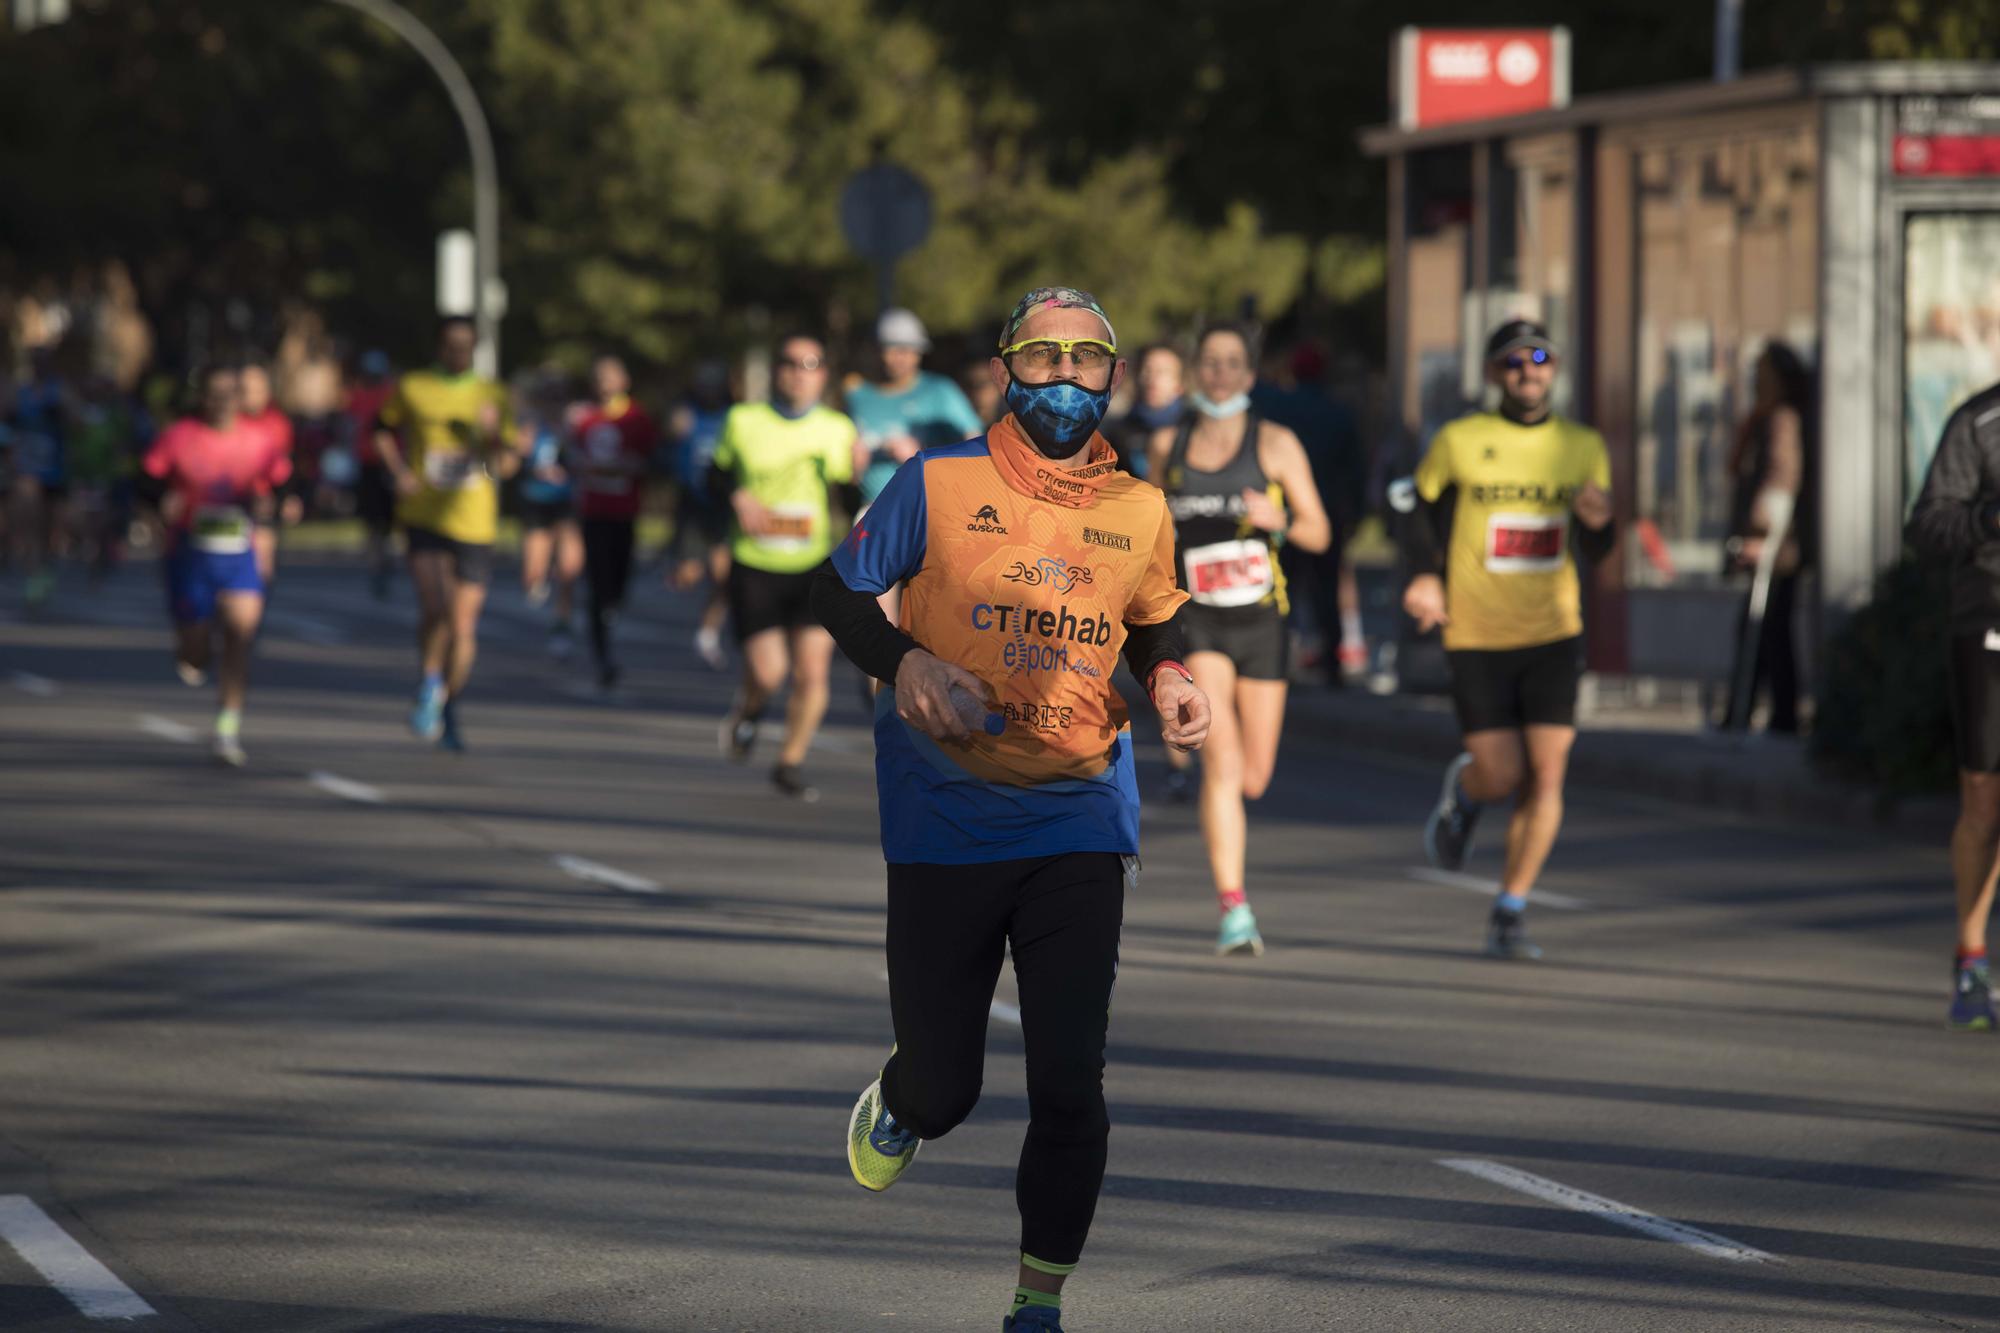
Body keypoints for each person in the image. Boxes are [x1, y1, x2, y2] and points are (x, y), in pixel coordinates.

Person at [815, 286, 1210, 1333]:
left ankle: (1036, 1304)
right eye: (1044, 358)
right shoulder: (937, 481)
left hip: (1078, 812)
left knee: (1070, 1082)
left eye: (1088, 360)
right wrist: (902, 663)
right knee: (946, 1089)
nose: (1067, 379)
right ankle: (902, 1101)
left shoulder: (1140, 507)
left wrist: (1169, 677)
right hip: (942, 815)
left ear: (1113, 376)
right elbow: (837, 588)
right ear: (1005, 369)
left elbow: (1156, 614)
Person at [1404, 319, 1616, 961]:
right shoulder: (1463, 440)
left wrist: (1602, 525)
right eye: (1514, 362)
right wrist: (1423, 577)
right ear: (1497, 373)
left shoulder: (1583, 446)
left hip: (1553, 631)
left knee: (1547, 777)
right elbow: (1416, 509)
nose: (1529, 371)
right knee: (1502, 772)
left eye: (1541, 358)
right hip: (1477, 631)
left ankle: (1511, 907)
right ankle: (1468, 792)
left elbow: (1599, 544)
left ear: (1556, 368)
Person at [1149, 323, 1332, 956]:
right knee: (1221, 766)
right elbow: (1147, 530)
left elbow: (1319, 532)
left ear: (1250, 377)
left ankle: (1234, 899)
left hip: (1262, 622)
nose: (1222, 374)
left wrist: (1280, 520)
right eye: (1211, 363)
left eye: (1234, 364)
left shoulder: (1275, 444)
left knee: (1254, 778)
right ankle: (1234, 908)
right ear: (1197, 372)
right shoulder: (1168, 447)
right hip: (1198, 622)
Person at [711, 333, 856, 800]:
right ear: (776, 370)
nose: (798, 372)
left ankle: (789, 762)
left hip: (812, 563)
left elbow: (848, 500)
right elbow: (711, 475)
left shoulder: (836, 429)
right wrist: (736, 496)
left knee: (813, 672)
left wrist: (856, 475)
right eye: (789, 362)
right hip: (754, 563)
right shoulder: (743, 420)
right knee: (770, 673)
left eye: (809, 363)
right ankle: (750, 709)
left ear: (823, 375)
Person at [374, 316, 517, 752]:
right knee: (435, 606)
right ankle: (431, 683)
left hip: (474, 520)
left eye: (466, 346)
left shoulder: (492, 394)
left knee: (462, 623)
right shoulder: (414, 386)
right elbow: (381, 430)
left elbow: (506, 466)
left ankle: (447, 700)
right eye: (451, 345)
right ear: (439, 346)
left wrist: (494, 437)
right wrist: (398, 471)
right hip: (424, 515)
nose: (459, 353)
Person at [138, 363, 290, 766]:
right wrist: (160, 503)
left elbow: (283, 482)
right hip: (191, 551)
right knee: (196, 650)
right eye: (215, 394)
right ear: (202, 397)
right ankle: (189, 651)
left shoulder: (259, 439)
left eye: (230, 394)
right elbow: (146, 480)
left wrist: (279, 503)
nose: (223, 402)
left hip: (240, 551)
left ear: (240, 400)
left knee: (241, 633)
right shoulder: (179, 437)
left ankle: (227, 726)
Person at [1907, 378, 2000, 1030]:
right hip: (1990, 627)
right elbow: (1928, 524)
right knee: (1985, 805)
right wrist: (1989, 519)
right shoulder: (1980, 421)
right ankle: (1971, 957)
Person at [1723, 342, 1813, 734]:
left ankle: (1772, 714)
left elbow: (1782, 474)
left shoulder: (1782, 418)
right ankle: (1761, 713)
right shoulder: (1763, 417)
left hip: (1779, 546)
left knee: (1765, 628)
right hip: (1774, 545)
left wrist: (1761, 534)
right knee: (1765, 629)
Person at [569, 355, 658, 691]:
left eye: (610, 377)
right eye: (598, 377)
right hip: (593, 512)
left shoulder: (637, 417)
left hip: (625, 511)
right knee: (597, 583)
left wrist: (630, 467)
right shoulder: (582, 419)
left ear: (624, 381)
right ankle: (602, 653)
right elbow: (567, 457)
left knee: (619, 581)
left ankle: (611, 610)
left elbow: (651, 460)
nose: (604, 383)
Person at [669, 360, 736, 670]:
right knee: (689, 575)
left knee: (724, 577)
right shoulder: (686, 415)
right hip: (693, 505)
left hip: (722, 506)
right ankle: (673, 571)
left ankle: (707, 633)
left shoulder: (733, 417)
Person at [516, 374, 584, 658]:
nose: (554, 403)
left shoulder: (575, 425)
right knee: (533, 572)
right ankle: (539, 581)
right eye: (549, 397)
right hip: (537, 501)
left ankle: (562, 622)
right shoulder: (531, 425)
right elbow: (516, 458)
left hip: (567, 502)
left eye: (559, 397)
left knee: (570, 567)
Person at [8, 347, 70, 609]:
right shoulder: (20, 392)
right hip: (27, 468)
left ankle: (45, 567)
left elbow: (77, 421)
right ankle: (33, 573)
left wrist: (60, 411)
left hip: (56, 468)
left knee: (50, 528)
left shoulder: (60, 391)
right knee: (30, 518)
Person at [238, 362, 298, 592]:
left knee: (262, 569)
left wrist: (289, 497)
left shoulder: (277, 424)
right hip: (228, 501)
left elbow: (285, 465)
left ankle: (251, 609)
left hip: (263, 503)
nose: (250, 397)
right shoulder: (226, 421)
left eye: (256, 390)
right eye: (244, 390)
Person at [345, 350, 399, 599]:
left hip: (390, 465)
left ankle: (387, 557)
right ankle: (377, 563)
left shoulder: (391, 395)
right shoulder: (358, 396)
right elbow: (349, 428)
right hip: (367, 464)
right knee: (372, 521)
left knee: (391, 519)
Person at [1104, 342, 1184, 480]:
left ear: (1179, 384)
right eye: (1147, 370)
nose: (1152, 378)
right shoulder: (1115, 433)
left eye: (1162, 372)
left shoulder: (1192, 429)